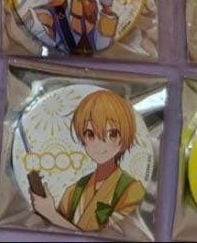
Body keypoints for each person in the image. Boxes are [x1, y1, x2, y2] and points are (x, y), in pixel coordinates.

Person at [28, 89, 146, 232]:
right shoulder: (72, 192)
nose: (99, 144)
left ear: (124, 138)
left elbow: (113, 237)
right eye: (90, 134)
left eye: (112, 134)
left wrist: (52, 215)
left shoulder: (132, 190)